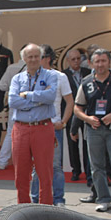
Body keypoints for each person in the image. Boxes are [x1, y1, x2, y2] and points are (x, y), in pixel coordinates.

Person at [73, 48, 111, 212]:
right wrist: (87, 118)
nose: (100, 64)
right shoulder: (86, 82)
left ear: (109, 62)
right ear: (92, 63)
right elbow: (77, 108)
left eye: (103, 61)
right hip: (93, 130)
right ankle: (103, 199)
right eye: (97, 61)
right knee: (96, 166)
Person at [7, 43, 58, 204]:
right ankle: (23, 208)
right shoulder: (17, 78)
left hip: (42, 128)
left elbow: (50, 97)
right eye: (30, 56)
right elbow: (13, 101)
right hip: (21, 129)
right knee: (21, 174)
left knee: (45, 173)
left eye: (37, 56)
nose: (34, 59)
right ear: (24, 59)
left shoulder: (50, 76)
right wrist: (38, 100)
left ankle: (45, 210)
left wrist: (27, 95)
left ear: (41, 58)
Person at [30, 45, 72, 205]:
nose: (35, 60)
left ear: (48, 58)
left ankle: (58, 199)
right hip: (34, 126)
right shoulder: (29, 76)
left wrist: (64, 122)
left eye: (38, 56)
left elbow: (70, 102)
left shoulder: (60, 77)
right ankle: (35, 200)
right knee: (36, 167)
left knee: (55, 166)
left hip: (53, 127)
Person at [62, 47, 91, 182]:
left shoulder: (88, 73)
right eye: (73, 59)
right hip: (70, 112)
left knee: (87, 142)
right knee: (72, 142)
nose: (76, 61)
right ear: (68, 60)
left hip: (86, 112)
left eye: (78, 58)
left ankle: (88, 170)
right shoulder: (63, 75)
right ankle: (76, 170)